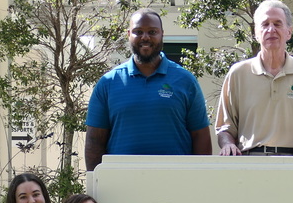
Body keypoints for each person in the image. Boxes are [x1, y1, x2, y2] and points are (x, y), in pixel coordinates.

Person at [85, 9, 211, 169]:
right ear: (128, 34)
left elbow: (201, 136)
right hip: (122, 183)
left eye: (152, 32)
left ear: (162, 34)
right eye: (138, 32)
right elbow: (94, 142)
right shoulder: (108, 83)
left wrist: (200, 180)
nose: (145, 37)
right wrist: (96, 183)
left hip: (176, 182)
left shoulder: (185, 81)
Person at [215, 0, 293, 157]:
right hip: (251, 164)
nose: (271, 29)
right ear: (256, 34)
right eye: (265, 24)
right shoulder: (238, 73)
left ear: (288, 32)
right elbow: (224, 128)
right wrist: (228, 145)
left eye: (278, 24)